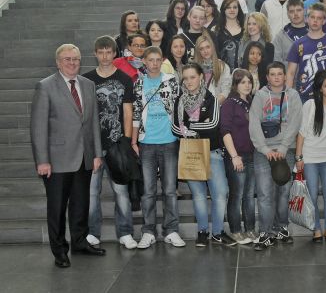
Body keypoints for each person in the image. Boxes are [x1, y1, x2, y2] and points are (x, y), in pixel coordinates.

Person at [31, 44, 104, 268]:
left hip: (84, 157)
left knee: (81, 204)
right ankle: (60, 250)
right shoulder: (45, 87)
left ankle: (80, 242)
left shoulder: (88, 84)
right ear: (58, 62)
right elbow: (38, 126)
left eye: (76, 59)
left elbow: (92, 122)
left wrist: (96, 153)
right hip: (57, 159)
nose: (72, 63)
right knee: (57, 207)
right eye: (67, 59)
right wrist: (42, 160)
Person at [172, 63, 237, 247]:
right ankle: (202, 232)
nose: (189, 81)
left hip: (212, 151)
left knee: (220, 193)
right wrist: (192, 128)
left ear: (201, 77)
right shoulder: (179, 100)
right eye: (186, 78)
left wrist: (189, 127)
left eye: (193, 77)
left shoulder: (212, 99)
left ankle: (217, 232)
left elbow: (214, 125)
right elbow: (175, 128)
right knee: (198, 195)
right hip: (190, 152)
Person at [83, 36, 136, 250]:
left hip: (117, 145)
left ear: (115, 53)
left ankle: (125, 233)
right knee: (91, 192)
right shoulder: (85, 81)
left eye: (108, 52)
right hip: (93, 146)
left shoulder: (125, 79)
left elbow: (127, 111)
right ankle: (92, 233)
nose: (105, 56)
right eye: (101, 52)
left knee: (121, 192)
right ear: (95, 53)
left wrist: (126, 140)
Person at [132, 46, 184, 249]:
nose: (153, 63)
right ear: (144, 61)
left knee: (170, 190)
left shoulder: (171, 80)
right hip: (146, 143)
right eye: (150, 59)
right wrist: (134, 141)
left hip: (169, 140)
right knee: (148, 191)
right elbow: (136, 114)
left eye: (157, 60)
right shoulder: (138, 83)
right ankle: (148, 231)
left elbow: (179, 108)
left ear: (162, 61)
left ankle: (171, 230)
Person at [249, 62, 302, 251]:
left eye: (280, 74)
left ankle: (282, 229)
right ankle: (265, 233)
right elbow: (254, 123)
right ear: (267, 77)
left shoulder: (293, 95)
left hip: (285, 150)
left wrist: (283, 147)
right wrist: (265, 149)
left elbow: (296, 122)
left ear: (285, 76)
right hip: (263, 152)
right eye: (273, 74)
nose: (277, 77)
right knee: (264, 194)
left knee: (283, 192)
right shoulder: (260, 96)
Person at [295, 70, 326, 242]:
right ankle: (316, 229)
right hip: (309, 156)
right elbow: (301, 133)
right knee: (313, 194)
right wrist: (299, 158)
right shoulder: (310, 105)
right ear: (320, 88)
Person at [221, 69, 257, 245]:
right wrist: (234, 156)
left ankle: (250, 229)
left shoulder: (251, 102)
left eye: (249, 81)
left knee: (249, 195)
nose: (247, 85)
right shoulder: (229, 103)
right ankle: (235, 231)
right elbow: (225, 132)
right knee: (237, 194)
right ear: (235, 85)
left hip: (252, 155)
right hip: (236, 155)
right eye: (243, 82)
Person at [286, 3, 326, 103]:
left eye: (319, 18)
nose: (315, 21)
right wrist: (288, 96)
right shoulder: (297, 44)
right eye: (312, 17)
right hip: (304, 96)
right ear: (307, 19)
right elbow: (290, 73)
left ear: (324, 21)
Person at [194, 33, 232, 104]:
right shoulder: (194, 68)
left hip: (217, 107)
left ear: (212, 47)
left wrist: (211, 105)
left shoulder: (223, 66)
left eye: (207, 47)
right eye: (201, 49)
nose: (205, 51)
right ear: (198, 51)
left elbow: (225, 91)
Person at [272, 0, 308, 68]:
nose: (295, 14)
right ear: (288, 14)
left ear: (304, 11)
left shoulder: (314, 32)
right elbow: (277, 62)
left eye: (299, 10)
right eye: (291, 11)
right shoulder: (281, 36)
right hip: (289, 77)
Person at [215, 0, 245, 70]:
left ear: (239, 10)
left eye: (235, 7)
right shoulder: (216, 31)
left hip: (243, 73)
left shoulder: (246, 30)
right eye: (228, 7)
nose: (232, 10)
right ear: (223, 10)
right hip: (222, 73)